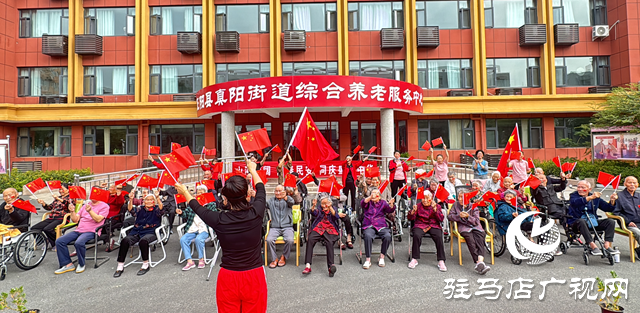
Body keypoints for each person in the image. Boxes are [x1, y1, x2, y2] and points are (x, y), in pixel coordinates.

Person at [174, 159, 268, 312]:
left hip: (228, 278)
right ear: (247, 195)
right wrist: (252, 169)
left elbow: (197, 207)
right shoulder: (257, 212)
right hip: (254, 276)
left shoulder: (218, 219)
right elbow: (261, 187)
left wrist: (184, 191)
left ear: (225, 199)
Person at [113, 192, 164, 277]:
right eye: (147, 200)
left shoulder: (156, 209)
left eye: (151, 200)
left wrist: (158, 197)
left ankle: (145, 264)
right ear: (144, 201)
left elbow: (161, 209)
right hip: (137, 231)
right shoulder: (140, 208)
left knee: (143, 241)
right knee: (125, 241)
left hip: (151, 232)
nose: (149, 201)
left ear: (154, 201)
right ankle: (120, 266)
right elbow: (130, 210)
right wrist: (131, 199)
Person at [54, 197, 109, 274]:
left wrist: (90, 211)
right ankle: (67, 264)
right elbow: (75, 220)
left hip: (92, 231)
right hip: (79, 230)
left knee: (79, 242)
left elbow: (98, 219)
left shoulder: (104, 206)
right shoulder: (85, 205)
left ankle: (81, 263)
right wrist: (72, 211)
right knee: (59, 241)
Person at [568, 180, 619, 256]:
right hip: (576, 223)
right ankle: (593, 246)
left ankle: (607, 245)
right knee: (582, 221)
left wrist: (612, 201)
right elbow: (575, 202)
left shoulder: (595, 198)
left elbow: (608, 208)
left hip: (592, 222)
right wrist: (590, 197)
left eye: (583, 187)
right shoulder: (573, 195)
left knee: (610, 222)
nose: (580, 189)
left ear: (589, 189)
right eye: (578, 187)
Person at [448, 191, 490, 275]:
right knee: (470, 239)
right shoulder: (455, 205)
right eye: (459, 197)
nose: (460, 199)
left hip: (475, 226)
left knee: (480, 237)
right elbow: (449, 216)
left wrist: (468, 217)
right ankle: (478, 262)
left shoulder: (473, 206)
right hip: (464, 227)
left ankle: (480, 262)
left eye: (462, 197)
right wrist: (458, 216)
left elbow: (476, 220)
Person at [177, 185, 217, 270]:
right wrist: (180, 213)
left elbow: (214, 216)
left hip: (204, 229)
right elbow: (185, 214)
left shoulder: (211, 204)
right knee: (183, 239)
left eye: (201, 193)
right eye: (198, 193)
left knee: (199, 239)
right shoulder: (192, 204)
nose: (199, 195)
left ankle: (201, 259)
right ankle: (189, 261)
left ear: (206, 194)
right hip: (192, 228)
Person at [407, 190, 446, 271]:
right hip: (420, 224)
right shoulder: (417, 206)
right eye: (423, 198)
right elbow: (410, 218)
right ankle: (414, 258)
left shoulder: (437, 206)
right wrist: (412, 212)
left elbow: (441, 219)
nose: (425, 200)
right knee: (416, 235)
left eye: (427, 198)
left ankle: (441, 260)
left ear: (431, 198)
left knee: (439, 236)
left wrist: (435, 210)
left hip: (433, 225)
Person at [302, 196, 340, 277]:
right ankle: (308, 265)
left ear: (329, 203)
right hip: (319, 227)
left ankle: (331, 266)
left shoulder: (334, 208)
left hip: (330, 228)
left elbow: (336, 216)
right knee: (311, 239)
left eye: (325, 203)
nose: (324, 205)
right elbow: (313, 212)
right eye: (322, 204)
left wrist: (330, 208)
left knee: (329, 242)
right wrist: (313, 206)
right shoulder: (319, 209)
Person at [360, 189, 395, 269]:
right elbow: (363, 203)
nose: (373, 195)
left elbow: (390, 210)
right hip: (369, 224)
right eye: (372, 193)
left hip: (381, 224)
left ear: (379, 196)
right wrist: (370, 197)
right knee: (368, 236)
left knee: (387, 236)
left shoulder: (383, 203)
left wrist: (392, 204)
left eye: (375, 194)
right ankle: (368, 259)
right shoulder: (368, 202)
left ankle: (382, 257)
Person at [265, 184, 295, 268]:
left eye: (280, 191)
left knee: (289, 240)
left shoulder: (288, 200)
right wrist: (254, 196)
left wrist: (285, 197)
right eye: (276, 191)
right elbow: (262, 204)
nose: (278, 193)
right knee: (269, 240)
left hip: (287, 226)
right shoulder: (271, 201)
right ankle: (274, 259)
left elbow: (292, 202)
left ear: (284, 192)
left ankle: (284, 256)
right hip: (275, 227)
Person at [612, 176, 640, 257]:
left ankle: (639, 250)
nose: (632, 184)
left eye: (634, 183)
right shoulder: (619, 196)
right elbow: (616, 212)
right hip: (628, 224)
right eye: (629, 182)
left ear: (637, 184)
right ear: (625, 184)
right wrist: (628, 221)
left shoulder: (639, 196)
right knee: (639, 233)